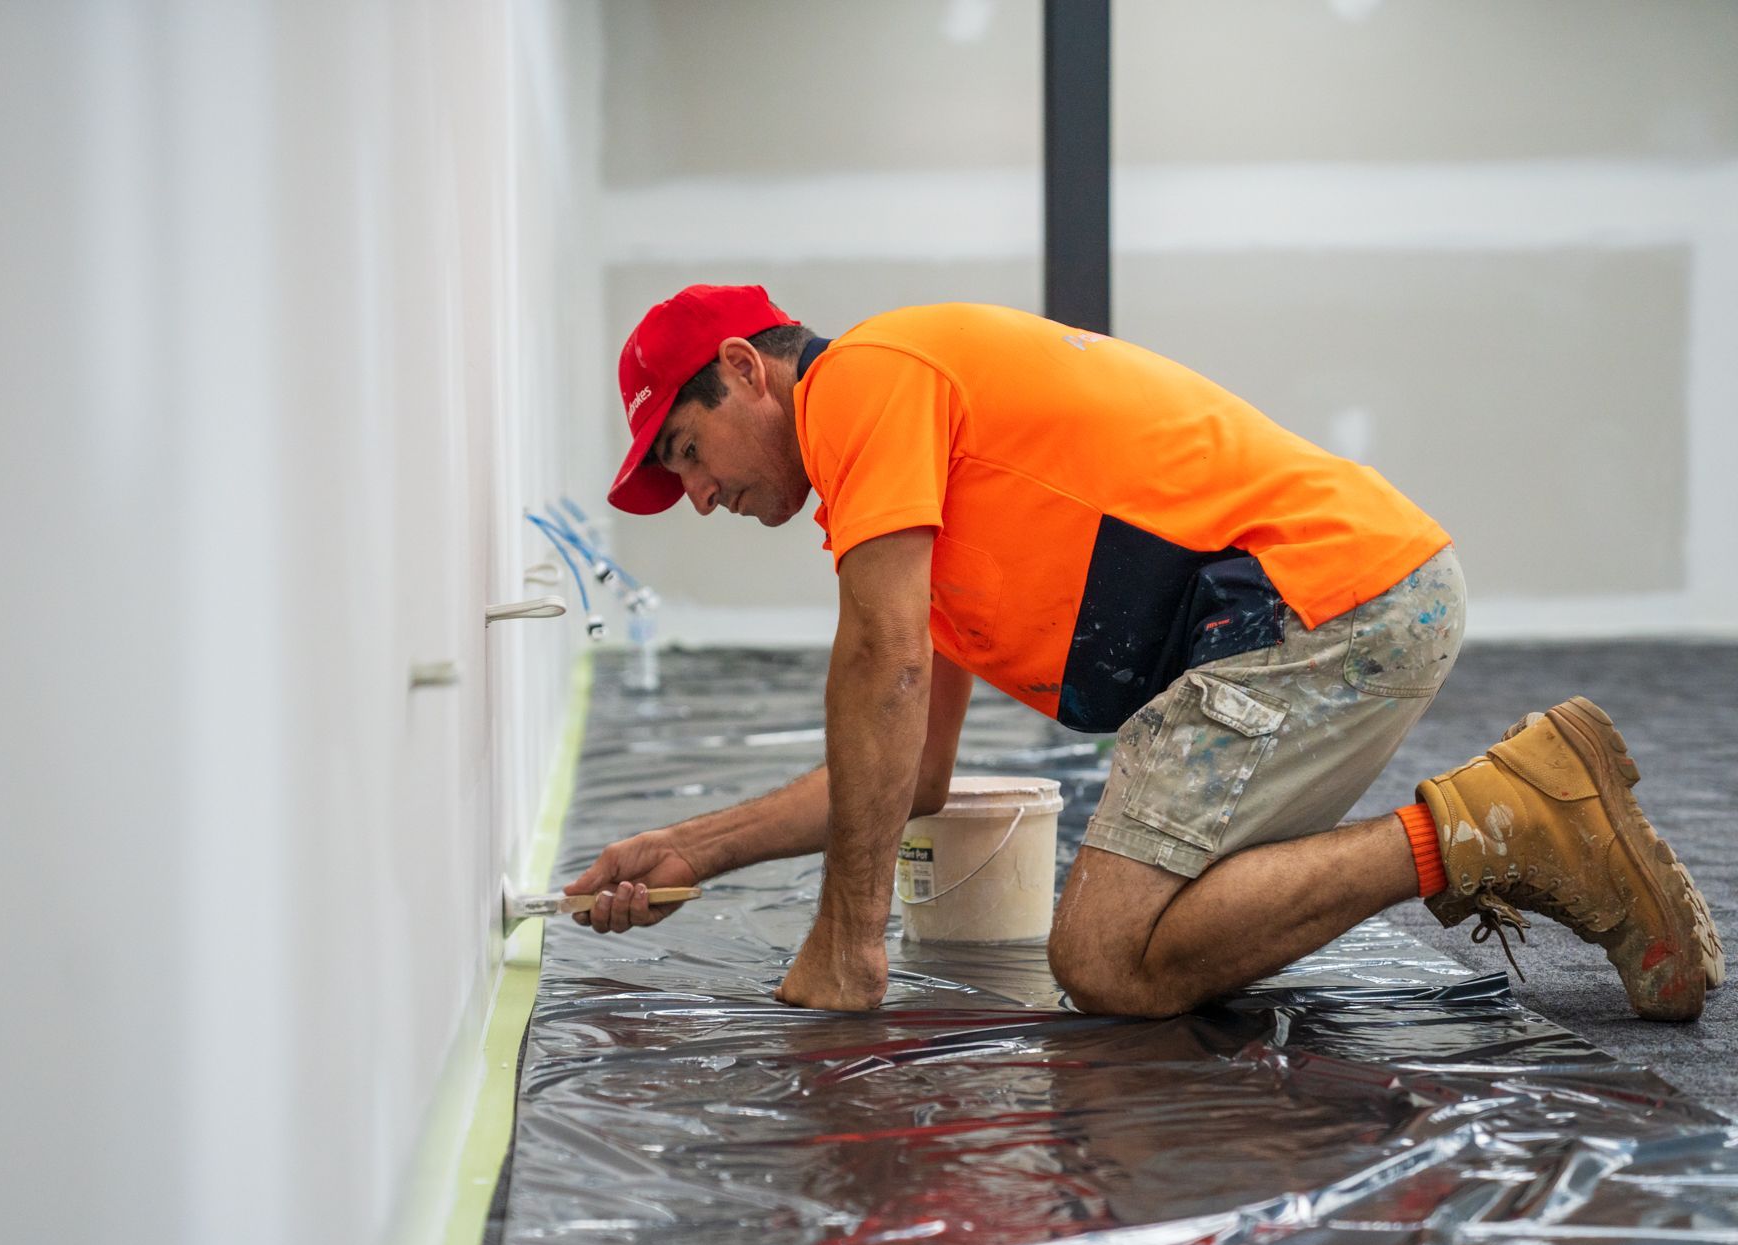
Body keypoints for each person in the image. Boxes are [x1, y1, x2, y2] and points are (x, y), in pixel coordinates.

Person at [567, 283, 1723, 1022]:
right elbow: (905, 771)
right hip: (1337, 606)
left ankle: (1500, 820)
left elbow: (883, 665)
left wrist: (847, 941)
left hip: (1327, 604)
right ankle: (1506, 824)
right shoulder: (906, 484)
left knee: (1110, 955)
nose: (700, 492)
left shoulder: (868, 381)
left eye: (687, 447)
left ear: (746, 366)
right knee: (1131, 946)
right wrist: (687, 848)